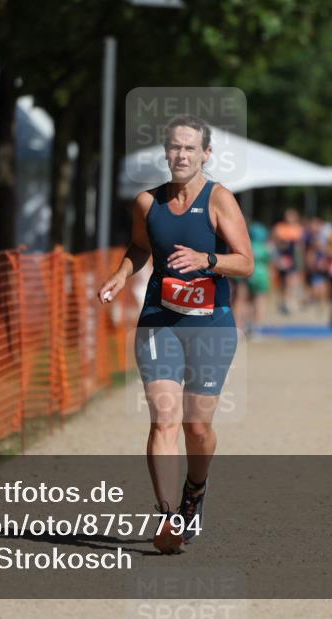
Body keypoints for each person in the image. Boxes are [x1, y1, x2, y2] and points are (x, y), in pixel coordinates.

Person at [97, 115, 253, 554]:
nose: (181, 155)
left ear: (205, 154)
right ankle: (168, 518)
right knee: (164, 419)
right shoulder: (148, 203)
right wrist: (121, 274)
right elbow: (140, 247)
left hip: (209, 324)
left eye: (190, 148)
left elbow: (245, 262)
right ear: (165, 154)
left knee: (196, 425)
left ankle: (195, 490)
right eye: (174, 147)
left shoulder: (219, 199)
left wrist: (207, 259)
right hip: (159, 320)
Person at [271, 209, 304, 315]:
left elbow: (300, 244)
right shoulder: (279, 227)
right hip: (282, 255)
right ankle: (283, 301)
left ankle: (290, 301)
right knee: (283, 281)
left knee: (292, 279)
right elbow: (275, 242)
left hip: (293, 256)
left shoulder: (298, 228)